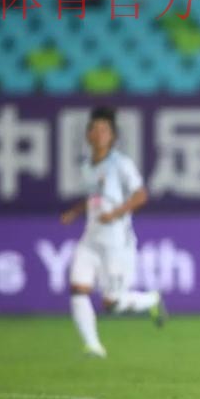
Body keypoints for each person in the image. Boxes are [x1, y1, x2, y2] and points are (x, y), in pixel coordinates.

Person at [61, 107, 166, 358]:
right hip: (91, 238)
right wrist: (75, 211)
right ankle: (93, 346)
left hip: (116, 242)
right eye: (95, 129)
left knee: (113, 303)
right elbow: (93, 197)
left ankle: (151, 300)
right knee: (78, 288)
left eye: (104, 130)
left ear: (113, 136)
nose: (99, 134)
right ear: (88, 135)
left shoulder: (121, 164)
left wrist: (116, 213)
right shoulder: (87, 165)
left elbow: (141, 195)